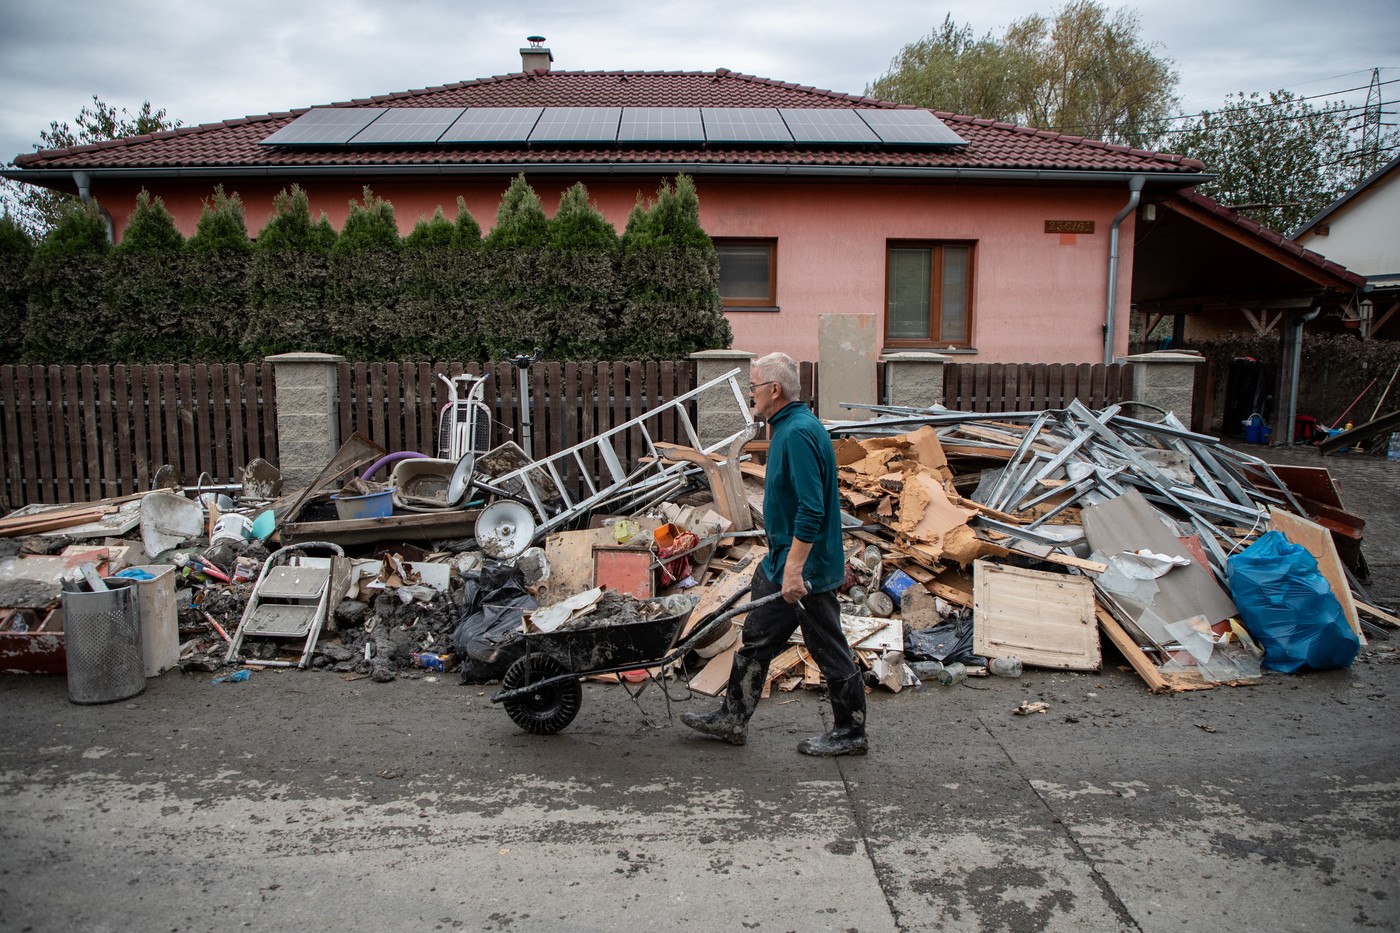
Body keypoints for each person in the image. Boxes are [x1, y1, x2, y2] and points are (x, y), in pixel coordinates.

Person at [680, 352, 867, 757]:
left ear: (775, 390)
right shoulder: (787, 427)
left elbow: (812, 508)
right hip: (781, 559)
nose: (751, 394)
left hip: (806, 567)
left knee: (827, 645)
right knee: (757, 635)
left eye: (754, 386)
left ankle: (851, 732)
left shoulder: (798, 433)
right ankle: (733, 717)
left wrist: (796, 570)